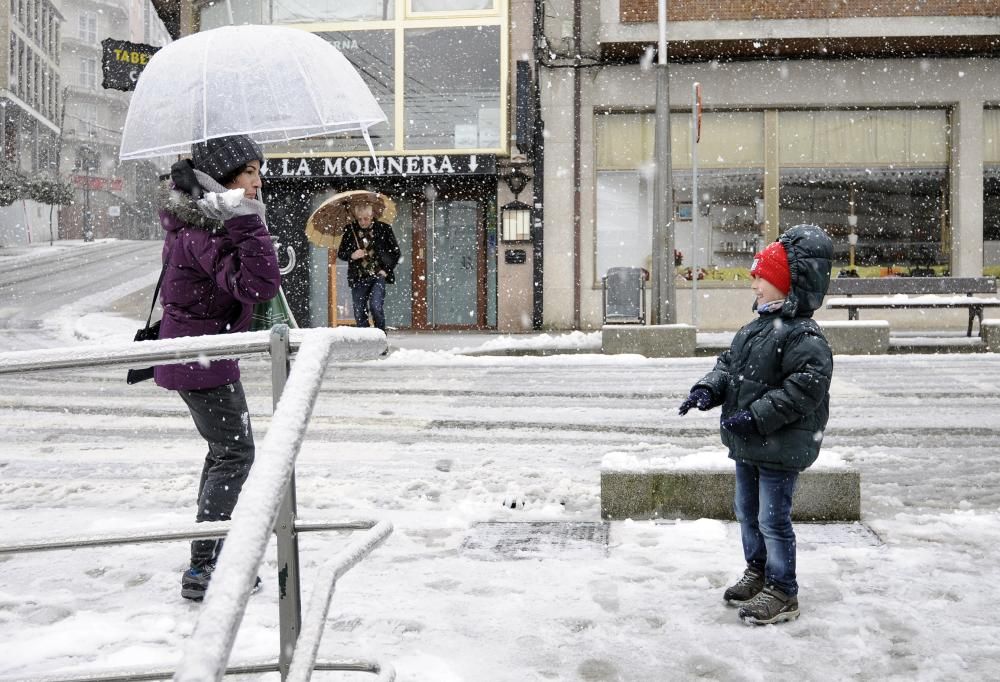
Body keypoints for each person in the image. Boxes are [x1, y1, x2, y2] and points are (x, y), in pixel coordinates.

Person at [678, 224, 834, 625]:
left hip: (779, 445)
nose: (754, 284)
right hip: (749, 442)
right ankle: (759, 571)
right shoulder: (755, 328)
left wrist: (756, 416)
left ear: (786, 284)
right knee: (747, 512)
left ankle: (783, 590)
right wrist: (707, 391)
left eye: (761, 277)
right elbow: (727, 367)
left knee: (772, 518)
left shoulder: (804, 336)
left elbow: (804, 389)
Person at [154, 134, 281, 601]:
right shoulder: (201, 231)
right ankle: (204, 566)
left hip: (198, 355)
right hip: (199, 359)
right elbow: (259, 285)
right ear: (221, 182)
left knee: (223, 454)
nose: (258, 179)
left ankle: (210, 555)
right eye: (249, 172)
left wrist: (239, 219)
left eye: (257, 170)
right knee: (235, 455)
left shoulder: (202, 222)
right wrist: (248, 222)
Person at [336, 201, 400, 334]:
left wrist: (386, 270)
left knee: (376, 307)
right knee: (359, 311)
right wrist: (352, 255)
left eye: (365, 218)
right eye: (359, 219)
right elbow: (341, 253)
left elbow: (395, 253)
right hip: (358, 277)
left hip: (378, 276)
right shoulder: (350, 230)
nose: (362, 222)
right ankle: (365, 341)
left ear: (372, 216)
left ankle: (380, 340)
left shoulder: (383, 229)